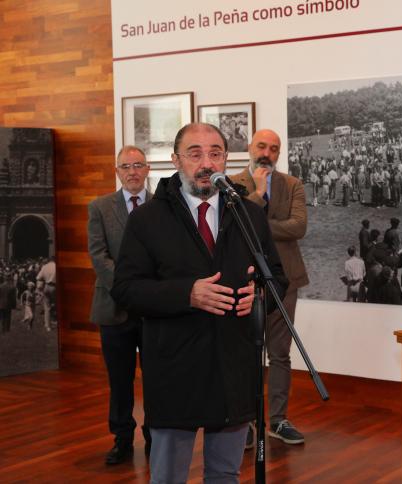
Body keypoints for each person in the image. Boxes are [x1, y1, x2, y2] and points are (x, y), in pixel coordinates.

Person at [111, 123, 288, 483]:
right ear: (176, 160)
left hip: (234, 367)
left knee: (225, 474)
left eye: (215, 153)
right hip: (176, 369)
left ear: (226, 158)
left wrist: (259, 298)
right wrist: (186, 294)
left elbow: (278, 279)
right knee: (169, 477)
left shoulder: (249, 215)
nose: (206, 162)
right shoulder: (148, 219)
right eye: (195, 154)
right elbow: (126, 289)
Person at [230, 128, 310, 445]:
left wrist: (258, 222)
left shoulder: (293, 185)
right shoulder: (232, 184)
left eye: (274, 148)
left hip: (285, 279)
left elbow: (299, 227)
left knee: (280, 353)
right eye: (261, 145)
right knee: (245, 353)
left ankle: (277, 420)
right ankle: (247, 422)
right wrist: (259, 193)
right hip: (243, 281)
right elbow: (232, 223)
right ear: (250, 147)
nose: (267, 152)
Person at [87, 145, 152, 465]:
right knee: (120, 380)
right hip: (114, 307)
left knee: (156, 377)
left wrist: (149, 294)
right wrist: (129, 291)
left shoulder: (164, 206)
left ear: (148, 169)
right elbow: (99, 257)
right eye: (126, 167)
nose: (132, 172)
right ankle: (122, 438)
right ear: (117, 171)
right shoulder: (100, 208)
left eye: (138, 165)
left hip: (155, 310)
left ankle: (156, 434)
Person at [35, 257, 56, 332]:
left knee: (47, 307)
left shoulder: (45, 267)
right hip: (55, 286)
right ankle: (54, 320)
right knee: (55, 305)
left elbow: (38, 277)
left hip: (47, 286)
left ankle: (47, 326)